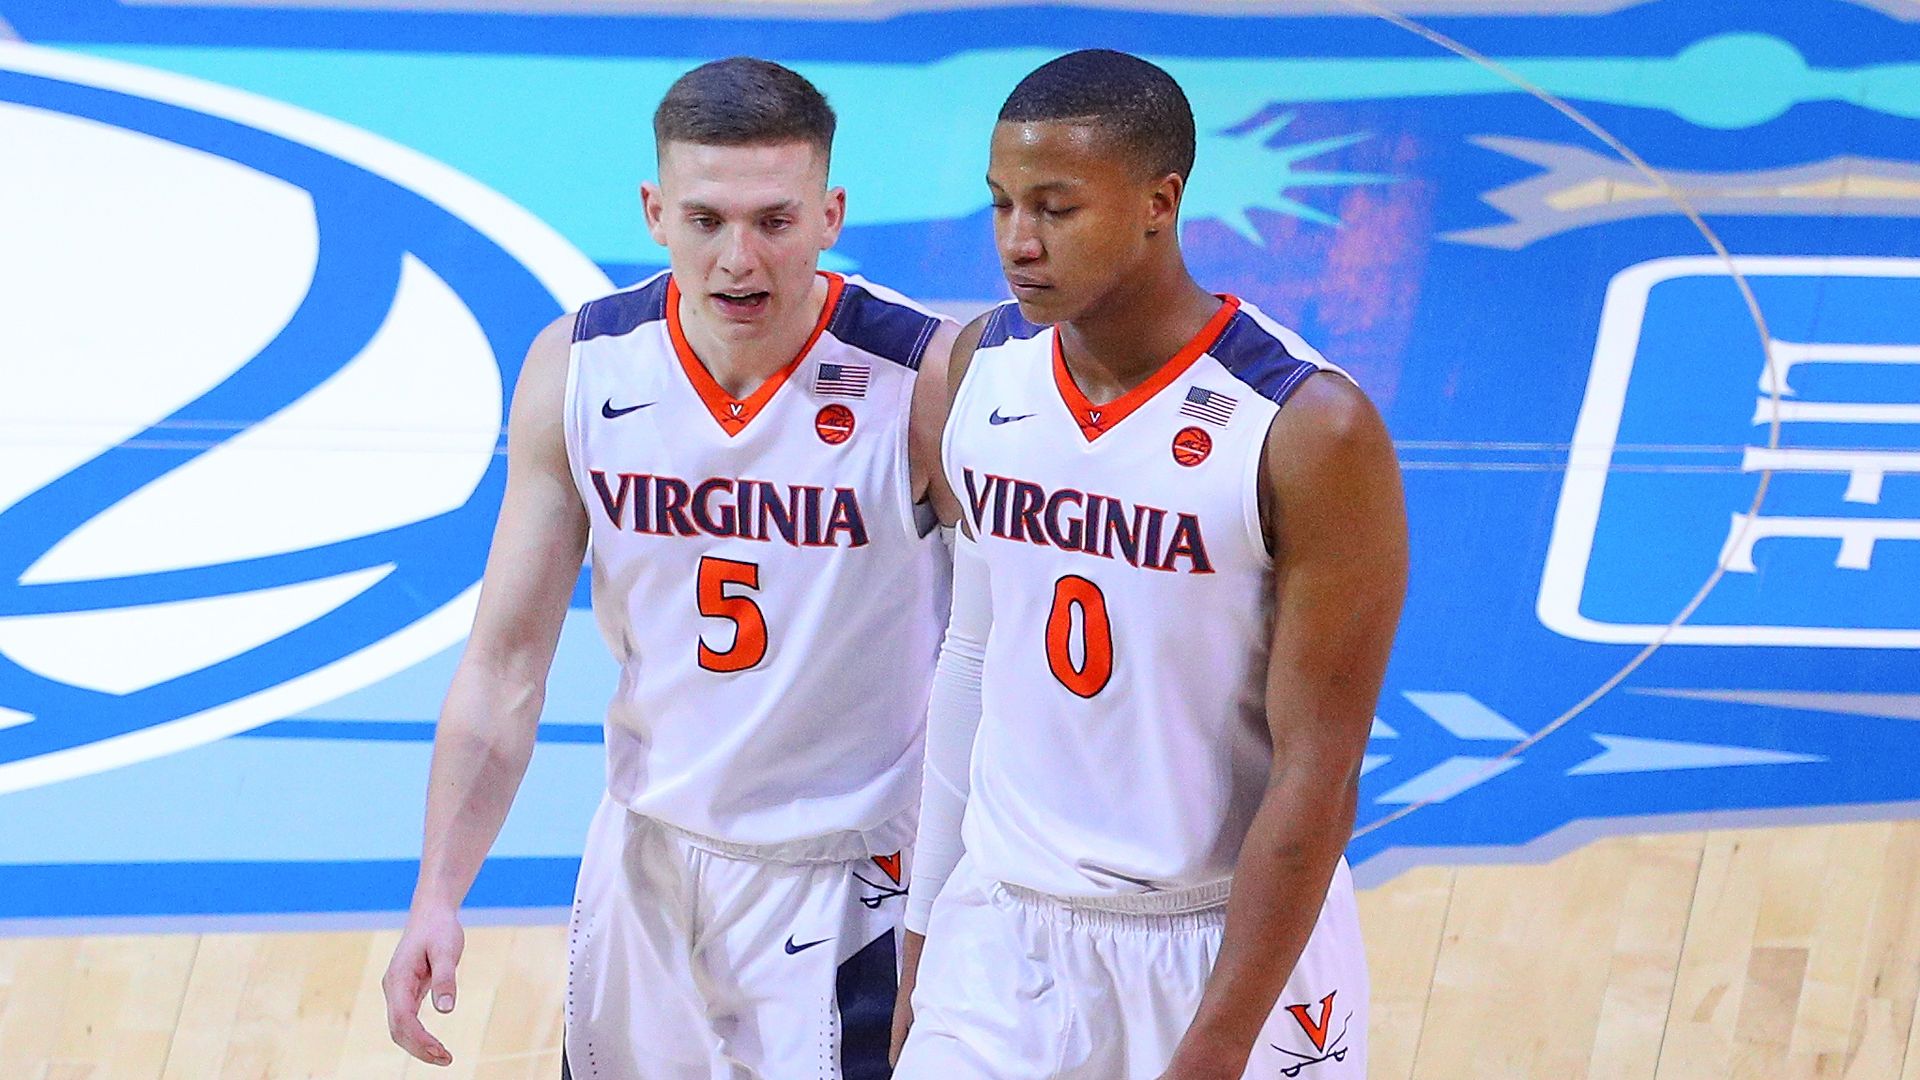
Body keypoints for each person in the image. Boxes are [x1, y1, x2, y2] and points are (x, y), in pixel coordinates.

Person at [381, 57, 957, 1078]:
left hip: (853, 876)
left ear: (831, 213)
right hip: (646, 859)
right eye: (706, 221)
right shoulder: (582, 368)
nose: (740, 259)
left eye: (774, 221)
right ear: (654, 212)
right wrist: (438, 890)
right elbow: (505, 667)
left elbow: (1003, 654)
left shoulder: (922, 382)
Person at [892, 49, 1407, 1079]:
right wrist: (922, 943)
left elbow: (1320, 772)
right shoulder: (977, 371)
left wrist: (1218, 1042)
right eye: (1000, 206)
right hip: (1005, 934)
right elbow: (973, 656)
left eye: (1055, 208)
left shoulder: (1309, 428)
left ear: (1158, 202)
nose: (1017, 244)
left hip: (1219, 941)